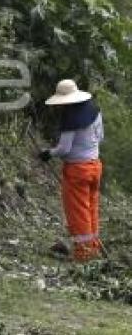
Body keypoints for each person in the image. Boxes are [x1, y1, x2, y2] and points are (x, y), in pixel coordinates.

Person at [40, 79, 104, 262]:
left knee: (78, 213)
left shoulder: (71, 118)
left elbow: (64, 149)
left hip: (78, 171)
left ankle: (84, 254)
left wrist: (48, 153)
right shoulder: (94, 110)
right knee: (91, 208)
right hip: (95, 166)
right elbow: (100, 136)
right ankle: (93, 249)